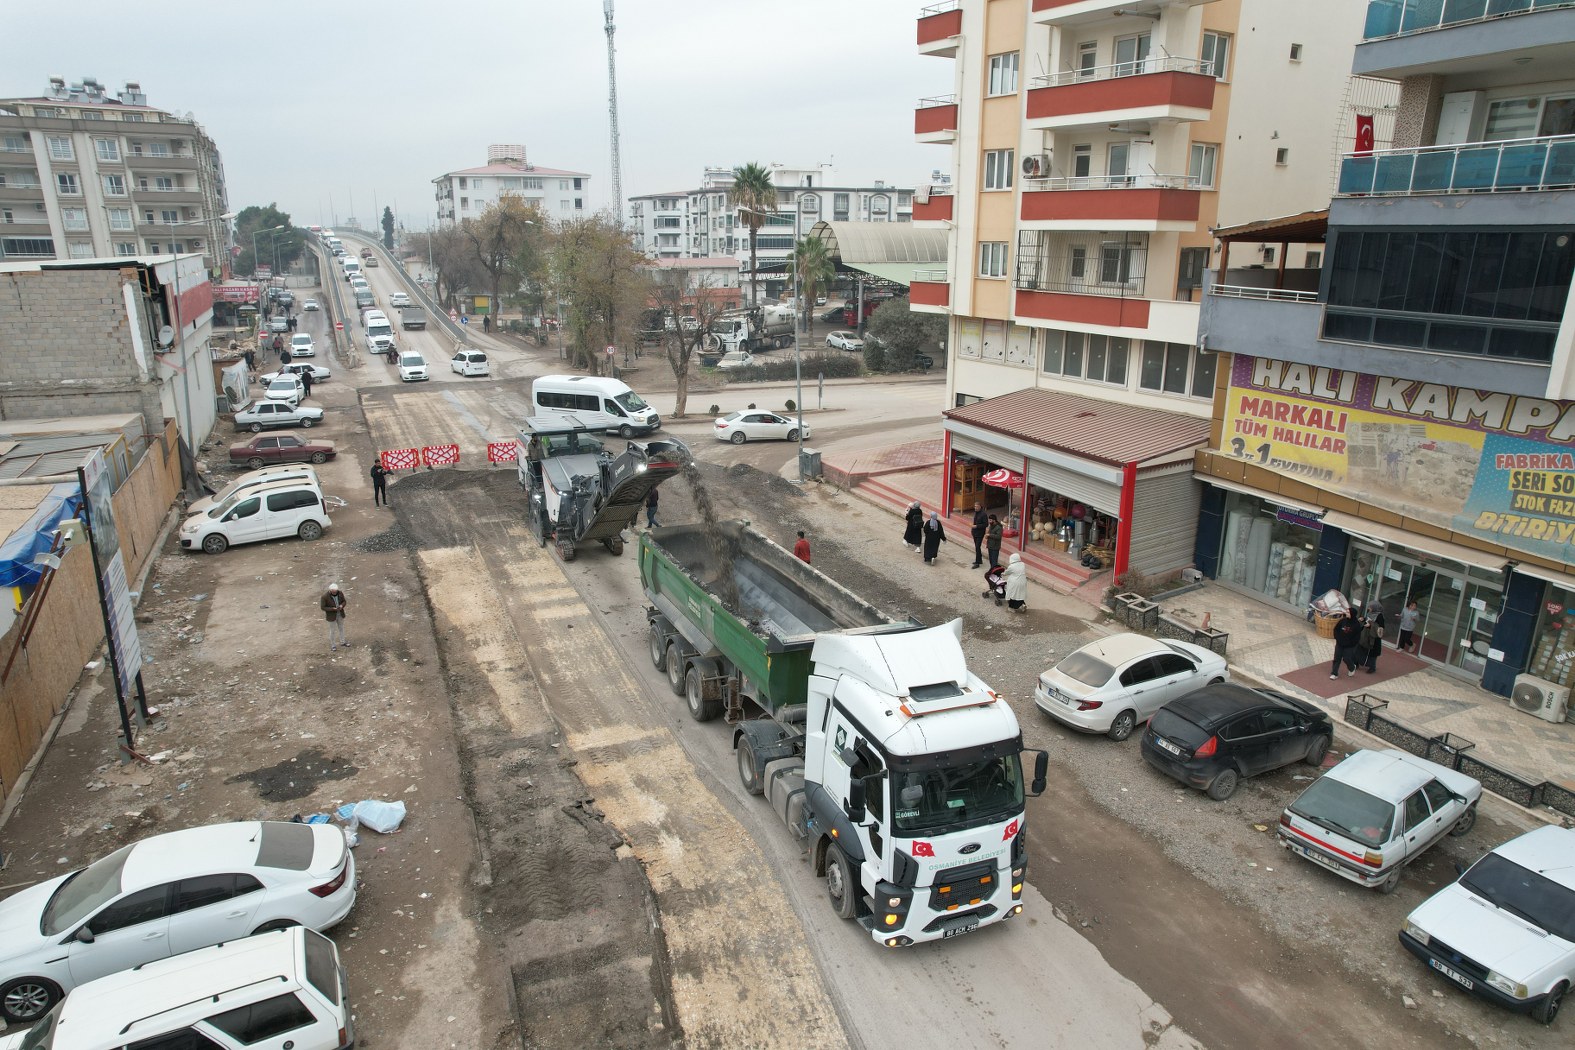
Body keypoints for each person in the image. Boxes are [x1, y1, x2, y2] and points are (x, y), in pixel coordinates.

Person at [1329, 605, 1364, 679]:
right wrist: (1337, 638)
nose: (1346, 612)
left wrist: (1350, 643)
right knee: (1337, 658)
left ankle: (1352, 668)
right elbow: (1336, 629)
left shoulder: (1356, 625)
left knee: (1346, 658)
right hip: (1340, 643)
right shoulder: (1342, 621)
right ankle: (1334, 674)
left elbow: (1357, 637)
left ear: (1352, 614)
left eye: (1348, 612)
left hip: (1349, 646)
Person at [321, 584, 348, 652]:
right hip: (331, 616)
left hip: (340, 614)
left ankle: (343, 642)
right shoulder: (324, 597)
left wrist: (341, 605)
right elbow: (323, 607)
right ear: (330, 590)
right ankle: (333, 645)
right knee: (332, 631)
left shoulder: (340, 593)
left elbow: (344, 601)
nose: (335, 593)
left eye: (336, 591)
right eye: (333, 592)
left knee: (341, 628)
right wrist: (332, 609)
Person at [1362, 601, 1387, 674]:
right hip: (1367, 635)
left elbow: (1380, 628)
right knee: (1362, 649)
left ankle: (1372, 667)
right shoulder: (1370, 613)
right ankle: (1359, 662)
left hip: (1374, 638)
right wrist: (1363, 619)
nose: (1369, 608)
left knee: (1373, 653)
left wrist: (1370, 626)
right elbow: (1367, 619)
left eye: (1370, 607)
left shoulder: (1380, 616)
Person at [970, 501, 988, 569]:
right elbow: (974, 522)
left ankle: (977, 563)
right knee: (977, 547)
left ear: (980, 506)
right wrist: (972, 529)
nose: (975, 508)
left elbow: (986, 524)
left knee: (977, 547)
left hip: (980, 533)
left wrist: (977, 526)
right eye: (975, 506)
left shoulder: (983, 514)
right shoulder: (976, 513)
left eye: (977, 506)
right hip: (975, 532)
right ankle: (979, 560)